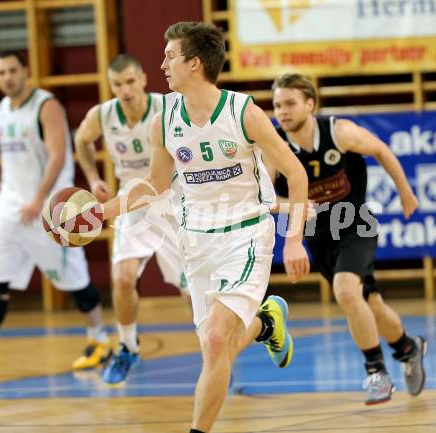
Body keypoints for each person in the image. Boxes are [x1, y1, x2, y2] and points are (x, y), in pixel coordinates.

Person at [93, 21, 310, 433]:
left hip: (245, 235)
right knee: (218, 346)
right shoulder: (164, 118)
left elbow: (296, 175)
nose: (162, 65)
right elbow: (155, 186)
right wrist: (98, 213)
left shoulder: (242, 112)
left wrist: (294, 240)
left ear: (194, 64)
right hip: (195, 242)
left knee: (214, 341)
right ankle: (265, 323)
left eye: (170, 57)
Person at [269, 73, 427, 405]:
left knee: (344, 289)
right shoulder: (275, 147)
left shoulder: (338, 132)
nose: (282, 111)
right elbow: (266, 197)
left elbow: (382, 150)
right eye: (277, 104)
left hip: (356, 223)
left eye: (289, 103)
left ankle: (376, 373)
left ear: (310, 104)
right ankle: (408, 348)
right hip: (318, 233)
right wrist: (293, 204)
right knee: (369, 303)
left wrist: (406, 191)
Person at [75, 54, 190, 385]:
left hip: (172, 198)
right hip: (133, 203)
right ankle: (127, 347)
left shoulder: (166, 107)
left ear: (142, 79)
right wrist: (93, 176)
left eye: (129, 82)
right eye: (116, 84)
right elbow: (82, 140)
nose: (124, 90)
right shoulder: (102, 115)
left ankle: (214, 356)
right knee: (123, 278)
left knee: (190, 291)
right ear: (110, 86)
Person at [0, 50, 111, 370]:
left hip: (48, 210)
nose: (6, 77)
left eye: (11, 71)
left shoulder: (46, 106)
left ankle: (100, 339)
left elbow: (59, 155)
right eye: (1, 72)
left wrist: (37, 199)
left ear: (25, 71)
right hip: (9, 209)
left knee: (75, 280)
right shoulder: (2, 109)